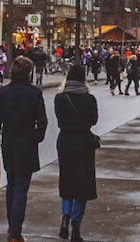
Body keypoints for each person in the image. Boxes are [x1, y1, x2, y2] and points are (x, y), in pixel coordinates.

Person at [0, 56, 48, 242]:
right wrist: (37, 137)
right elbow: (43, 120)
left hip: (8, 144)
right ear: (29, 73)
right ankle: (15, 232)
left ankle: (11, 226)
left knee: (12, 186)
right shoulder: (34, 93)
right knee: (21, 188)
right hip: (27, 145)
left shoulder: (2, 93)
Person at [55, 63, 98, 242]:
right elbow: (94, 120)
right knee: (83, 184)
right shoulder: (90, 99)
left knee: (67, 180)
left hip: (65, 140)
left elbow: (59, 118)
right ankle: (76, 224)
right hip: (84, 142)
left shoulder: (60, 98)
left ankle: (65, 216)